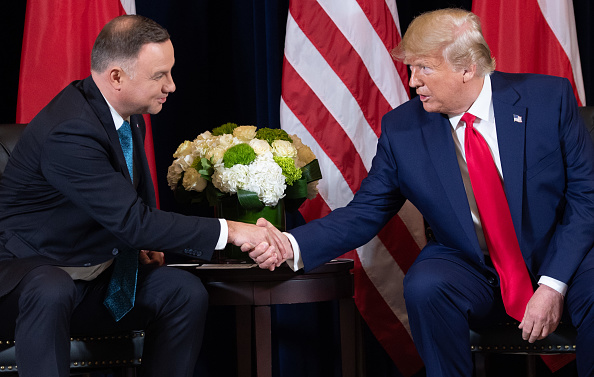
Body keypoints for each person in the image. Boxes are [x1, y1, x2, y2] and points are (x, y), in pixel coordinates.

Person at [250, 8, 594, 377]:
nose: (413, 82)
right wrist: (291, 244)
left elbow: (585, 200)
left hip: (557, 257)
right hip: (468, 263)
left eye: (424, 68)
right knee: (425, 284)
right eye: (411, 68)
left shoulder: (548, 99)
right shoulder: (402, 129)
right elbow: (364, 212)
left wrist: (552, 284)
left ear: (467, 68)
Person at [0, 15, 286, 377]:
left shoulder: (127, 115)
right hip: (27, 285)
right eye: (159, 76)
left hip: (92, 276)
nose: (171, 86)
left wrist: (141, 248)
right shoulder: (70, 131)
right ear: (117, 76)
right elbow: (133, 222)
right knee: (52, 287)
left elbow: (127, 206)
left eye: (170, 72)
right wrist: (233, 230)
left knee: (184, 291)